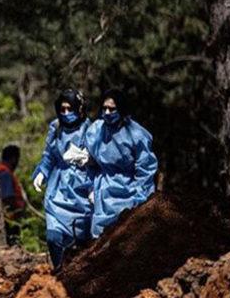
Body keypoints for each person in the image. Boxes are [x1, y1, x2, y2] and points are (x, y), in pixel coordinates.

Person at [31, 89, 93, 269]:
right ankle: (59, 270)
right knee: (54, 237)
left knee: (83, 241)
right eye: (62, 109)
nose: (66, 114)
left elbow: (99, 158)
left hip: (82, 186)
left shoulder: (90, 128)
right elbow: (49, 155)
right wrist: (43, 171)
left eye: (70, 109)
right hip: (58, 187)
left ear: (79, 109)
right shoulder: (56, 127)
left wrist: (89, 166)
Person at [85, 88, 158, 238]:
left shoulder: (136, 134)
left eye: (112, 109)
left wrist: (140, 199)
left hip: (130, 190)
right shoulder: (96, 130)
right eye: (104, 108)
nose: (106, 112)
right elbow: (91, 164)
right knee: (100, 237)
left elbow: (146, 169)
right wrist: (91, 187)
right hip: (104, 189)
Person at [0, 145, 25, 243]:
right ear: (13, 159)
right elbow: (7, 197)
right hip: (9, 221)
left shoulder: (2, 172)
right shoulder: (4, 173)